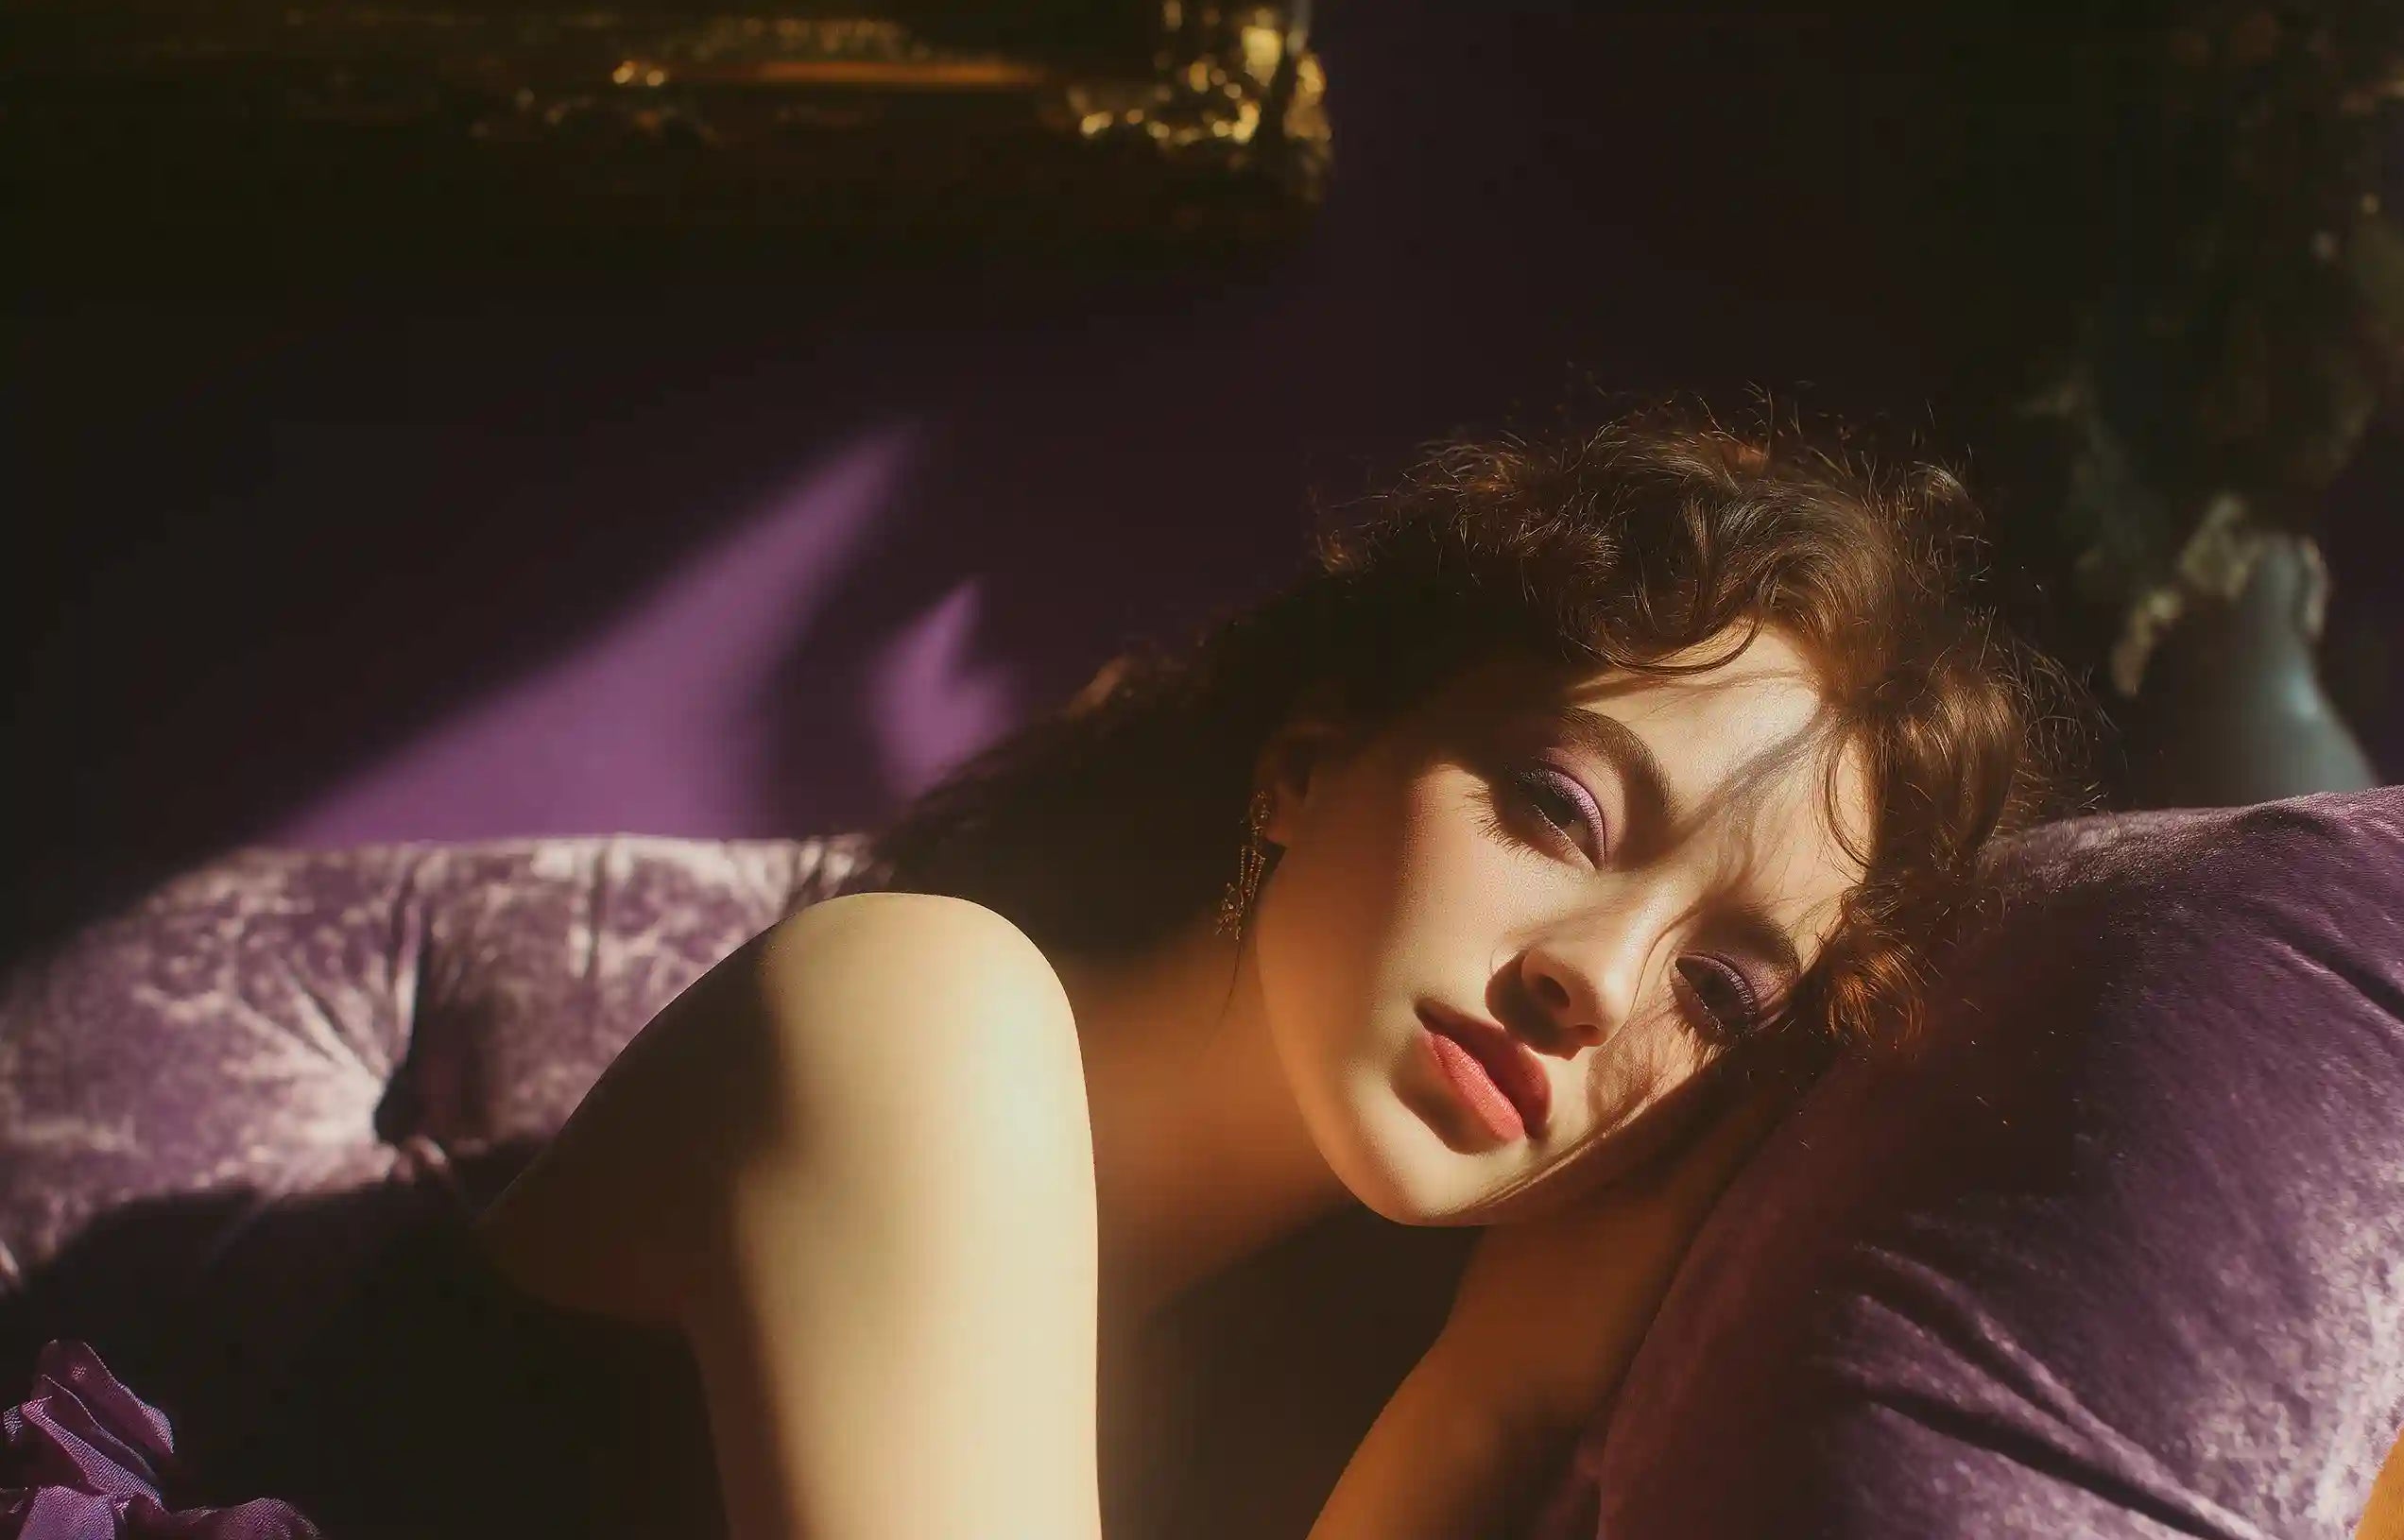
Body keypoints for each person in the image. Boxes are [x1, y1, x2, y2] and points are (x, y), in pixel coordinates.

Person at [473, 406, 2067, 1538]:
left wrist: (1486, 1394)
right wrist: (1478, 1413)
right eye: (1560, 809)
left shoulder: (1281, 1381)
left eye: (1720, 994)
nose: (1596, 983)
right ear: (1309, 763)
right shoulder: (921, 1013)